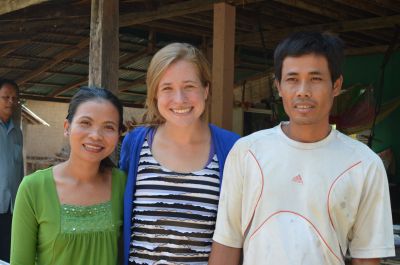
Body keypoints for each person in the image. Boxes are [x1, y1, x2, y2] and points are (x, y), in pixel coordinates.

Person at [209, 32, 395, 265]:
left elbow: (366, 258)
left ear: (336, 85)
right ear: (278, 86)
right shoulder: (247, 152)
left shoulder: (364, 164)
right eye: (292, 79)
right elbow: (227, 243)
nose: (303, 91)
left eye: (315, 79)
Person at [120, 43, 240, 265]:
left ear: (206, 90)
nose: (179, 99)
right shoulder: (135, 144)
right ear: (155, 94)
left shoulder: (234, 149)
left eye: (189, 86)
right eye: (167, 88)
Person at [10, 87, 126, 265]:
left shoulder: (123, 184)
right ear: (67, 127)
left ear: (118, 135)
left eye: (108, 127)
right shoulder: (33, 188)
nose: (95, 136)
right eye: (86, 123)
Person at [0, 79, 23, 263]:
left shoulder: (17, 131)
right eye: (5, 97)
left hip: (12, 205)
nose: (10, 102)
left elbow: (19, 167)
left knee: (8, 253)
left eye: (14, 98)